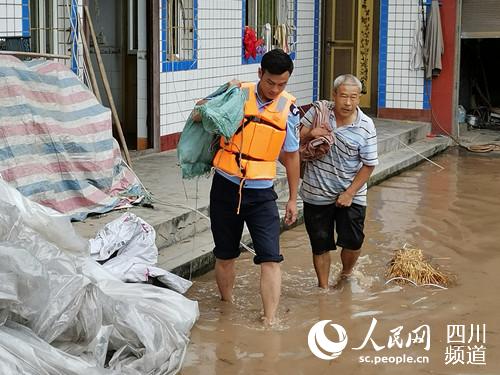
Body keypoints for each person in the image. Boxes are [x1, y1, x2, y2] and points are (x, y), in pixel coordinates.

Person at [202, 49, 300, 324]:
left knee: (271, 258)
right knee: (225, 255)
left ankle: (270, 320)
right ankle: (227, 308)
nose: (275, 89)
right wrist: (213, 101)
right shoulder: (236, 94)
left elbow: (292, 156)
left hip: (261, 194)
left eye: (282, 84)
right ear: (259, 74)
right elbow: (200, 115)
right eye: (270, 82)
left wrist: (293, 198)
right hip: (226, 187)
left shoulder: (288, 109)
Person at [299, 74, 378, 289]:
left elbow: (369, 164)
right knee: (320, 244)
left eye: (354, 97)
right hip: (316, 191)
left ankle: (345, 274)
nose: (348, 102)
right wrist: (311, 133)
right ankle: (323, 289)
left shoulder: (366, 126)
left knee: (353, 242)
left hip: (351, 192)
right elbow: (293, 137)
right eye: (343, 96)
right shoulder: (319, 113)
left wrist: (350, 193)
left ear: (359, 98)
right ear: (334, 95)